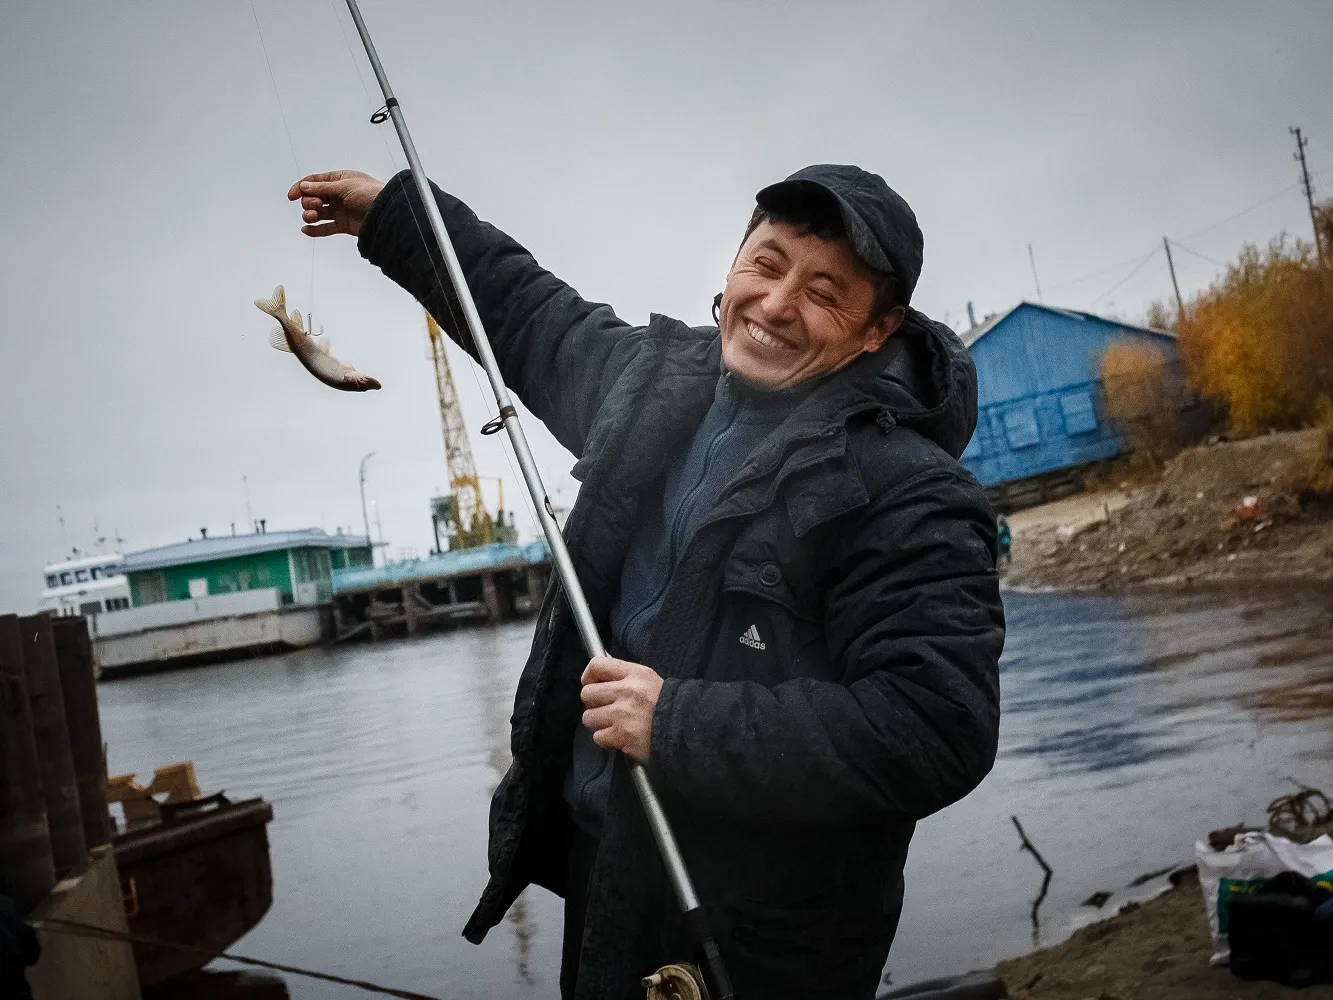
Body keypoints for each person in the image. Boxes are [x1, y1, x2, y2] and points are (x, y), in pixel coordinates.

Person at [289, 163, 1005, 1000]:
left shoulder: (909, 492)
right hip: (608, 878)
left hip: (766, 932)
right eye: (766, 266)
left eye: (825, 291)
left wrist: (679, 723)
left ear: (878, 329)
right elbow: (526, 314)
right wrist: (395, 217)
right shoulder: (653, 391)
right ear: (734, 264)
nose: (776, 306)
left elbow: (933, 728)